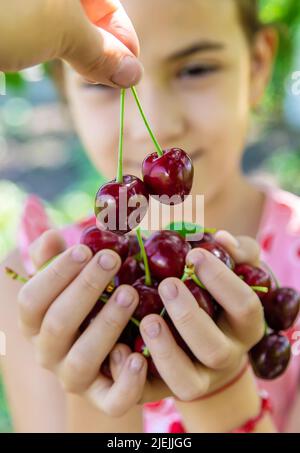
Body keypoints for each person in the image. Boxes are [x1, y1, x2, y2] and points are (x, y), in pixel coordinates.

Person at [0, 0, 300, 433]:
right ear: (64, 90)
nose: (155, 125)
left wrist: (221, 395)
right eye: (101, 83)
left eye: (195, 69)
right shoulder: (39, 290)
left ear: (257, 66)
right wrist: (93, 387)